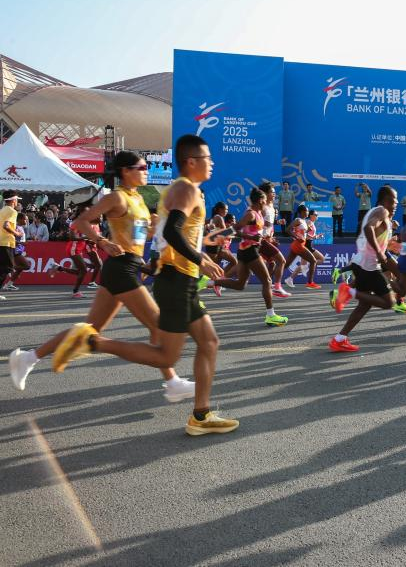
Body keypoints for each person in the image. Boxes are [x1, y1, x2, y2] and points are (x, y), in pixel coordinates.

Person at [22, 135, 238, 435]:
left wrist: (169, 255)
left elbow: (163, 235)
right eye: (207, 158)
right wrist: (198, 257)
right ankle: (92, 344)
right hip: (147, 273)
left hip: (155, 272)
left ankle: (197, 411)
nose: (212, 163)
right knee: (165, 351)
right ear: (191, 162)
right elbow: (172, 233)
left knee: (208, 342)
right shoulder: (178, 191)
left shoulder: (150, 197)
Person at [8, 152, 195, 400]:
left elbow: (138, 237)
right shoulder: (116, 197)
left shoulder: (137, 198)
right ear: (126, 171)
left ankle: (27, 358)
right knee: (158, 326)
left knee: (90, 330)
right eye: (141, 167)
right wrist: (102, 241)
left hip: (126, 266)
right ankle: (172, 382)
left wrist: (154, 227)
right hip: (121, 268)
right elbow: (81, 221)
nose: (146, 171)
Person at [328, 186, 400, 352]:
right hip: (369, 266)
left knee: (365, 304)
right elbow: (369, 229)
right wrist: (380, 253)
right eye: (392, 200)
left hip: (360, 263)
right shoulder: (381, 211)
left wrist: (390, 246)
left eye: (396, 201)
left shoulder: (379, 213)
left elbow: (374, 236)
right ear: (383, 200)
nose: (395, 203)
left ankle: (339, 339)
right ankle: (347, 292)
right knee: (389, 302)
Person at [208, 188, 289, 326]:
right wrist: (250, 237)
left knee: (240, 284)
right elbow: (235, 229)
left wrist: (267, 240)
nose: (266, 203)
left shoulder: (258, 213)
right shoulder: (250, 214)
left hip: (247, 250)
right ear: (260, 200)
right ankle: (271, 315)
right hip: (249, 250)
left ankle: (210, 282)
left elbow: (257, 232)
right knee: (267, 281)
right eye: (264, 200)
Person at [47, 203, 103, 298]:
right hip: (73, 249)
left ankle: (58, 268)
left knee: (79, 272)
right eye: (86, 211)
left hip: (79, 249)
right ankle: (75, 291)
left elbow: (87, 237)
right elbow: (72, 237)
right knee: (83, 271)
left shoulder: (86, 223)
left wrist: (90, 241)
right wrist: (86, 238)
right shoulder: (76, 223)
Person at [257, 182, 290, 299]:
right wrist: (266, 226)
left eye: (275, 192)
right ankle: (276, 286)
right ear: (265, 194)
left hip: (266, 239)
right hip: (260, 240)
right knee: (282, 261)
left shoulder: (272, 207)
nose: (274, 194)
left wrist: (277, 222)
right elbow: (258, 222)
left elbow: (269, 224)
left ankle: (268, 285)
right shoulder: (262, 207)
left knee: (272, 264)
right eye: (272, 192)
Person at [282, 205, 322, 290]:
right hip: (298, 245)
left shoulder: (304, 221)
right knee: (313, 261)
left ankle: (271, 280)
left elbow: (302, 233)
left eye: (307, 211)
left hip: (299, 245)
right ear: (302, 212)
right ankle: (310, 283)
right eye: (306, 211)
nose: (307, 212)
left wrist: (307, 231)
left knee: (285, 265)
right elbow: (287, 229)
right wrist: (296, 237)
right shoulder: (298, 220)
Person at [1, 212, 31, 290]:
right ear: (20, 219)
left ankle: (9, 284)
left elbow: (21, 239)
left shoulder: (21, 227)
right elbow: (11, 239)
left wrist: (24, 243)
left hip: (19, 250)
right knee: (27, 266)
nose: (26, 221)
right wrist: (21, 243)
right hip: (14, 250)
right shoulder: (15, 227)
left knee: (20, 268)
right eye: (25, 219)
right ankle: (10, 267)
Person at [0, 192, 20, 294]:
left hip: (3, 242)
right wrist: (17, 233)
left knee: (3, 268)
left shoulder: (2, 210)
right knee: (6, 268)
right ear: (13, 200)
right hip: (6, 242)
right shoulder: (12, 211)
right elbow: (6, 225)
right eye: (16, 199)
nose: (17, 201)